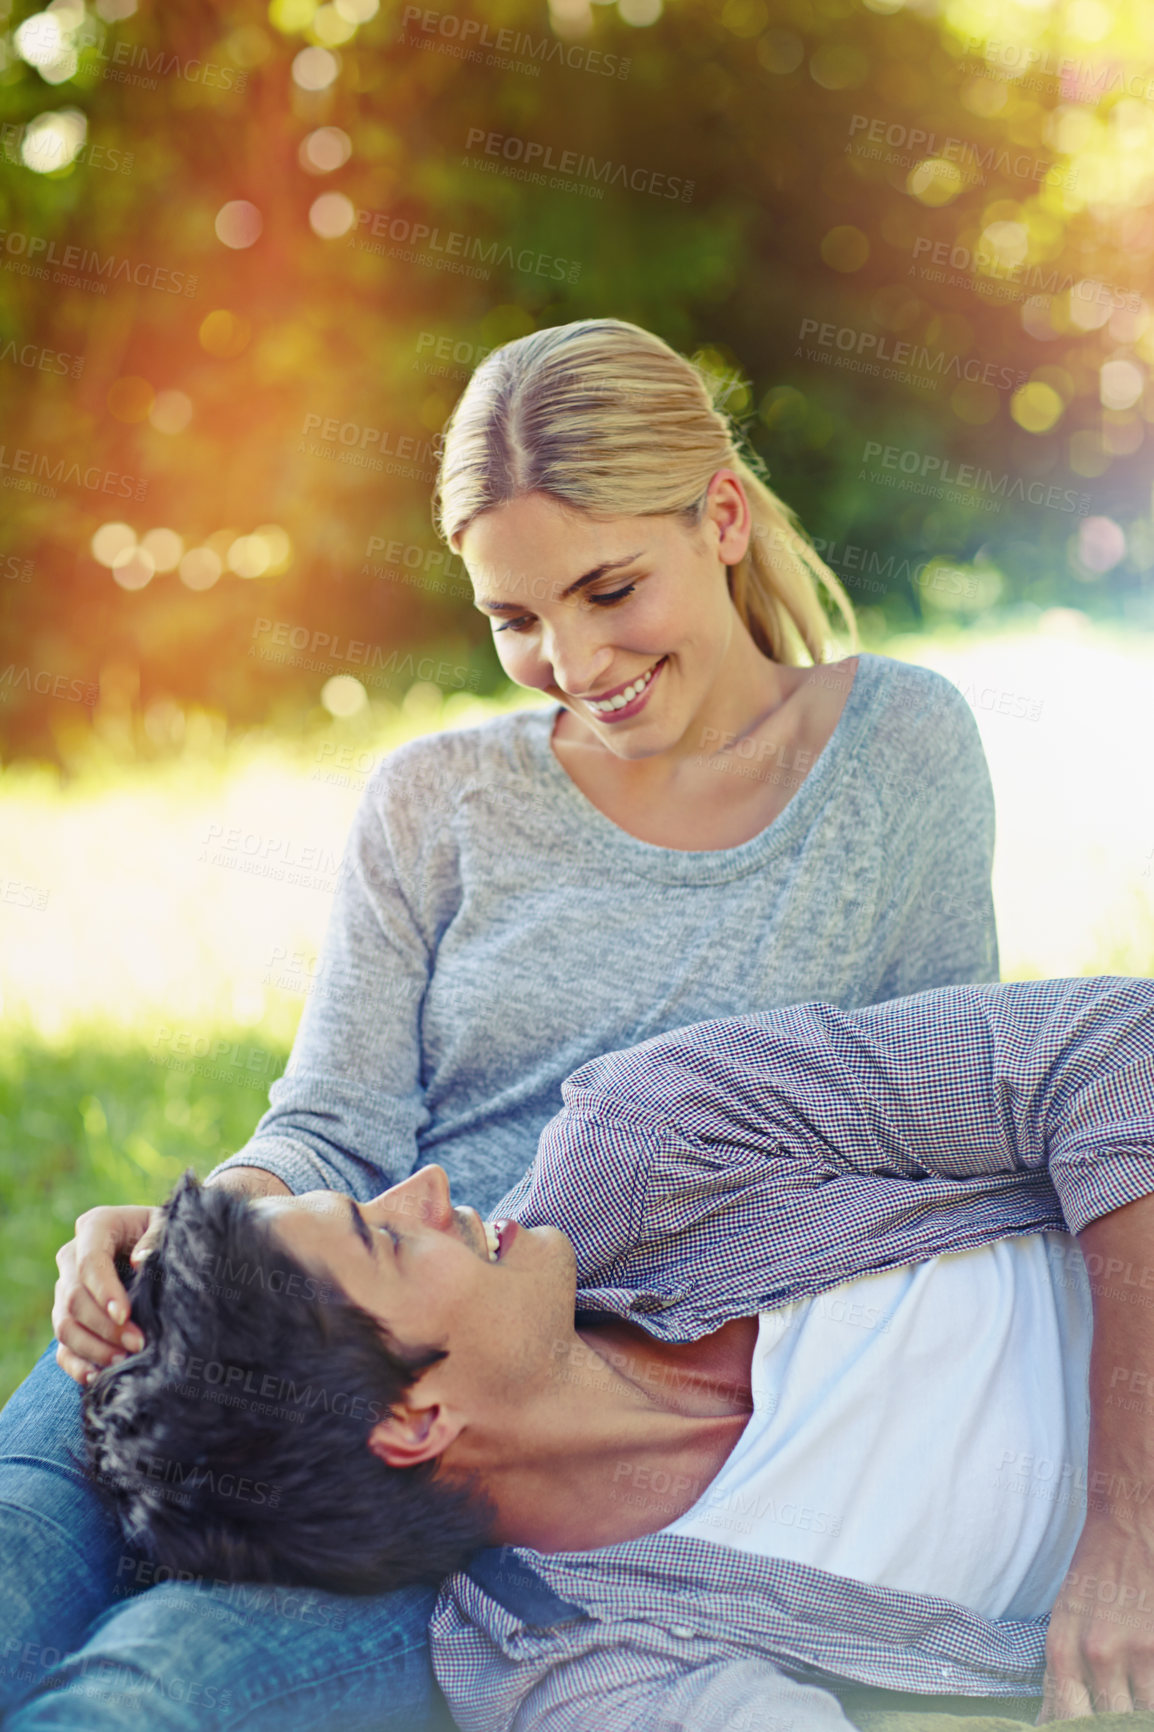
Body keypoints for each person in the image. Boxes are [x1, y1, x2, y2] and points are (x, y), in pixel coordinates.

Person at [1, 317, 999, 1730]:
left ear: (718, 514)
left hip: (504, 1422)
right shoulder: (435, 799)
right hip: (309, 1305)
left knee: (168, 1678)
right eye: (515, 620)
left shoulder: (898, 750)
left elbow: (934, 1125)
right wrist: (203, 1227)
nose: (572, 659)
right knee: (20, 1536)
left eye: (607, 590)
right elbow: (333, 1124)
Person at [79, 975, 1154, 1729]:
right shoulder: (573, 1655)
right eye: (387, 1234)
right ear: (411, 1419)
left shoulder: (657, 1134)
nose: (433, 1188)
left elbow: (1112, 1052)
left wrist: (1125, 1517)